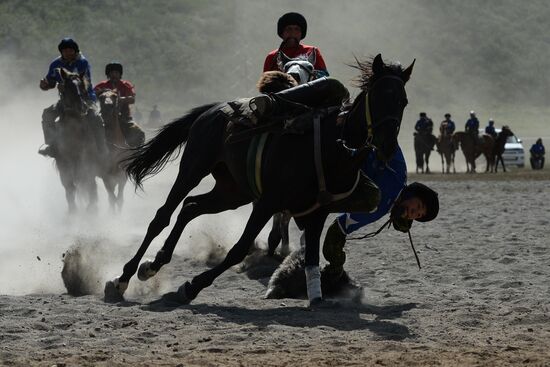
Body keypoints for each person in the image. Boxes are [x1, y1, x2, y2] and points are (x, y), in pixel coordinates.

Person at [321, 147, 439, 281]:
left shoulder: (377, 211)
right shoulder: (399, 171)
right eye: (418, 206)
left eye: (418, 215)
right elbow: (386, 137)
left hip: (327, 189)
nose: (415, 212)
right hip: (340, 152)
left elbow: (340, 227)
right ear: (413, 194)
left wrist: (336, 264)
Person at [38, 37, 107, 157]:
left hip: (85, 98)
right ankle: (51, 145)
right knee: (47, 113)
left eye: (70, 50)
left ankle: (101, 147)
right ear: (61, 52)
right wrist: (44, 85)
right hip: (66, 100)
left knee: (96, 118)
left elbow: (84, 82)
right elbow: (50, 82)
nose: (68, 53)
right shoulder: (55, 64)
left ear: (75, 51)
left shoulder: (82, 62)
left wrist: (65, 85)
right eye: (65, 51)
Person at [94, 62, 145, 147]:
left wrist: (119, 99)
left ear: (120, 74)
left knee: (138, 133)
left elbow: (132, 99)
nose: (114, 75)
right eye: (112, 73)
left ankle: (136, 153)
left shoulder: (126, 85)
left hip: (124, 117)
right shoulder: (102, 85)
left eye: (116, 73)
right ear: (108, 74)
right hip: (104, 116)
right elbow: (93, 95)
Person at [263, 12, 329, 77]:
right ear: (282, 33)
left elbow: (324, 76)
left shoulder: (312, 51)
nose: (292, 33)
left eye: (297, 29)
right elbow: (265, 83)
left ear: (301, 33)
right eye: (288, 29)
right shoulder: (272, 57)